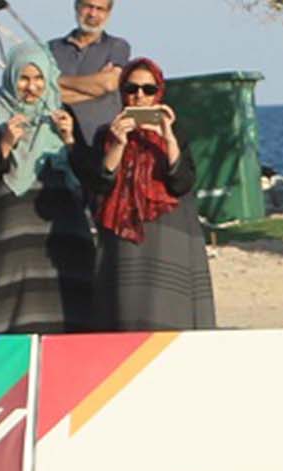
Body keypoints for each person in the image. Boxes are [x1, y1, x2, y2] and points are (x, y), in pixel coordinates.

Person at [74, 58, 214, 331]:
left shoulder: (176, 131)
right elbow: (99, 183)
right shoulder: (107, 133)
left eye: (148, 90)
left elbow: (182, 182)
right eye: (132, 88)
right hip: (123, 235)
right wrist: (117, 144)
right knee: (124, 308)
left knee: (169, 308)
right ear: (122, 92)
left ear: (158, 93)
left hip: (169, 232)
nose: (139, 96)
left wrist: (168, 138)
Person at [0, 42, 96, 334]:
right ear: (11, 77)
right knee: (14, 315)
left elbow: (89, 173)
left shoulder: (63, 115)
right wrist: (5, 144)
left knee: (70, 312)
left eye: (38, 78)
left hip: (63, 238)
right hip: (10, 243)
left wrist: (69, 138)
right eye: (24, 78)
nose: (32, 86)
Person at [51, 0, 132, 147]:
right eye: (88, 6)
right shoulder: (52, 49)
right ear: (76, 6)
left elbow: (109, 83)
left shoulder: (117, 46)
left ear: (108, 13)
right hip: (57, 145)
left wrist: (57, 80)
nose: (93, 14)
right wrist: (96, 90)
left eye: (100, 9)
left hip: (102, 144)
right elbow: (44, 93)